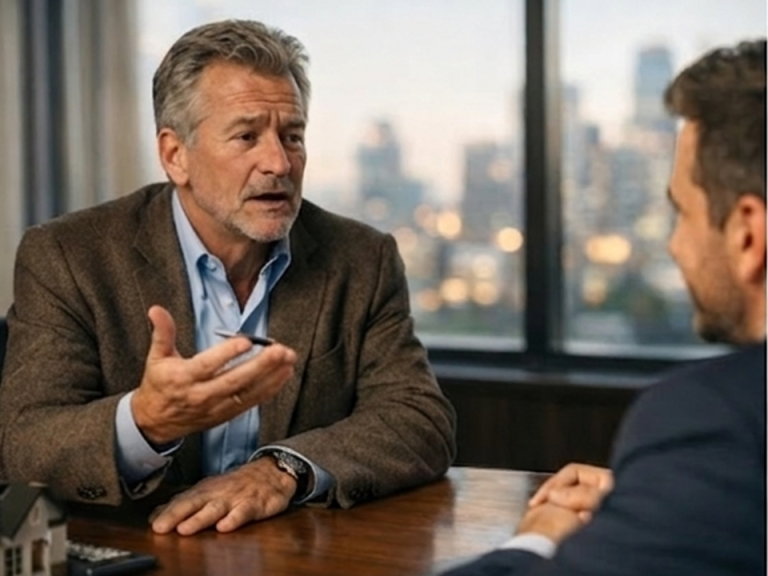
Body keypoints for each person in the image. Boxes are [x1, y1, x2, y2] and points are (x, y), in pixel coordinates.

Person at [0, 19, 456, 535]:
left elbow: (419, 420)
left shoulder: (361, 257)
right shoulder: (69, 256)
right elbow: (24, 444)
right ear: (176, 156)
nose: (279, 162)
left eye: (292, 135)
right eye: (246, 136)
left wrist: (283, 470)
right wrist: (147, 420)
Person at [443, 39, 766, 576]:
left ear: (748, 234)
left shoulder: (716, 415)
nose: (674, 246)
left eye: (682, 214)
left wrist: (537, 539)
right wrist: (673, 497)